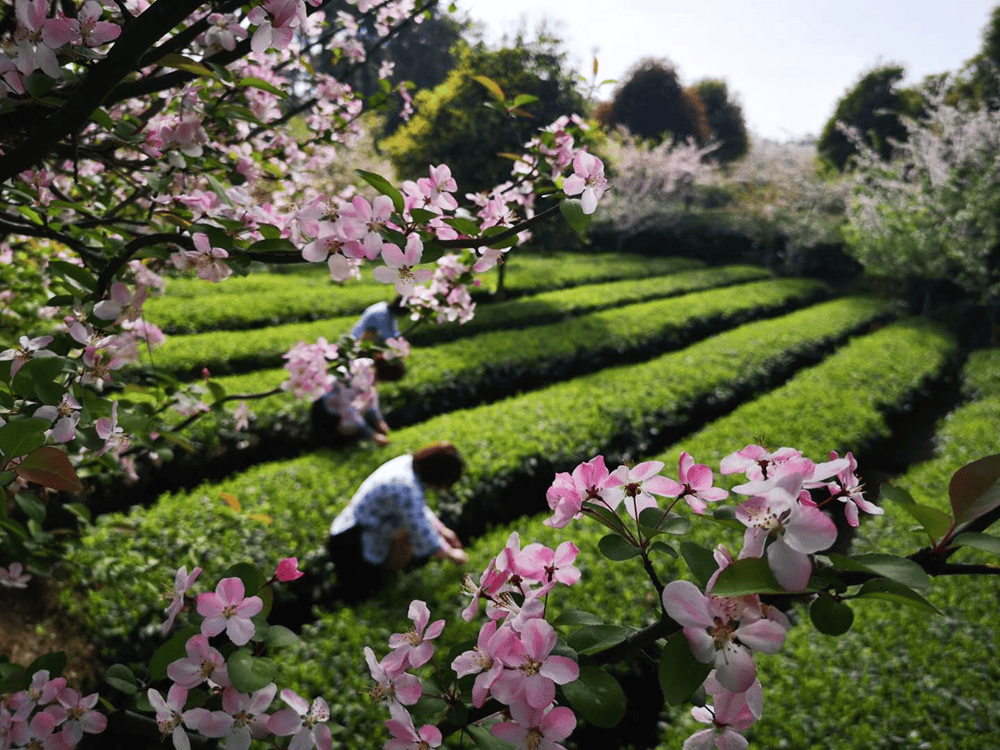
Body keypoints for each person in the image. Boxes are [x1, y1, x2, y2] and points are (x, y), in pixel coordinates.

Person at [327, 441, 469, 602]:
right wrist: (453, 555)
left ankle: (385, 583)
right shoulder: (406, 486)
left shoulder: (406, 463)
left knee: (405, 536)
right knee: (365, 594)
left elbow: (417, 509)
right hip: (352, 543)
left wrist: (442, 530)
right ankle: (382, 588)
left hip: (350, 528)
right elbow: (423, 534)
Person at [311, 355, 405, 447]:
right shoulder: (356, 373)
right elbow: (348, 409)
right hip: (327, 411)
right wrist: (371, 434)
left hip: (341, 408)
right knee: (348, 432)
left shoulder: (370, 367)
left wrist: (379, 421)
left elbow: (371, 396)